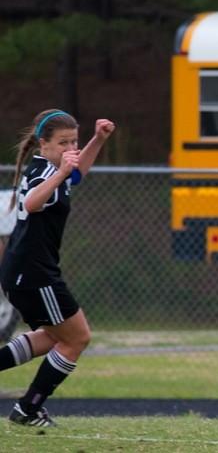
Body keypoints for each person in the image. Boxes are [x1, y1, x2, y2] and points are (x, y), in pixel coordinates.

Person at [0, 109, 115, 427]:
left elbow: (76, 174)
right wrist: (61, 172)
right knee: (76, 339)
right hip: (34, 274)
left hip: (25, 271)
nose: (70, 149)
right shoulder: (44, 173)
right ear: (43, 144)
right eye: (63, 142)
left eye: (73, 141)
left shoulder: (54, 168)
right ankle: (28, 409)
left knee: (53, 337)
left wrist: (96, 140)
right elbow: (33, 202)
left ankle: (28, 409)